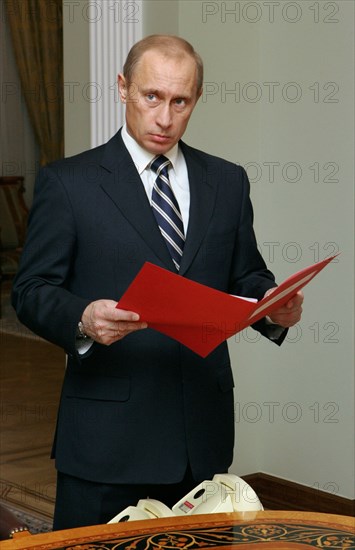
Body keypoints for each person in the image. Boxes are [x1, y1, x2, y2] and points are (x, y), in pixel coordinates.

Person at [12, 35, 303, 530]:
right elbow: (30, 289)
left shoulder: (227, 181)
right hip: (106, 443)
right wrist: (82, 318)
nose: (165, 117)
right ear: (123, 88)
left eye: (180, 101)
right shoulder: (68, 183)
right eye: (152, 97)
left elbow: (247, 274)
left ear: (196, 99)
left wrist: (273, 306)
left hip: (200, 438)